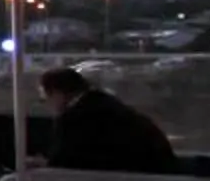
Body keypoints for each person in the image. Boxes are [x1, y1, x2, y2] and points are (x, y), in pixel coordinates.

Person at [38, 66, 177, 173]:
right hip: (156, 171)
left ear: (57, 93)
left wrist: (41, 164)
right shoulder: (101, 102)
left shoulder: (74, 118)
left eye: (45, 99)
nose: (47, 105)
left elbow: (63, 163)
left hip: (133, 180)